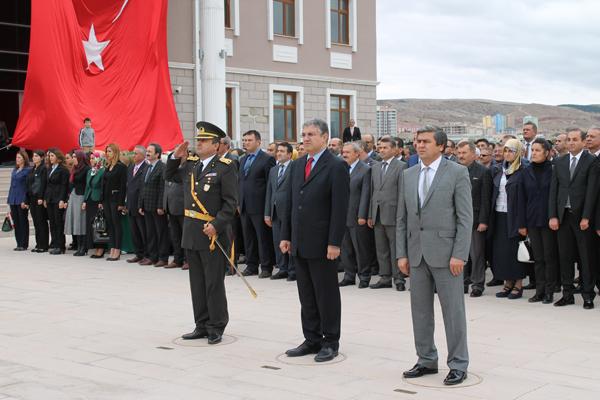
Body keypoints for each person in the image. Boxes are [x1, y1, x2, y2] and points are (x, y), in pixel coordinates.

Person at [397, 126, 472, 386]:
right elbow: (402, 219)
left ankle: (458, 363)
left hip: (447, 255)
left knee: (453, 312)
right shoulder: (408, 174)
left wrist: (459, 254)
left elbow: (465, 218)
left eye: (425, 141)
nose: (419, 145)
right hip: (416, 255)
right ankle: (426, 359)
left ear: (441, 146)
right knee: (420, 312)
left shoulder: (457, 173)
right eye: (417, 141)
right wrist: (401, 254)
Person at [280, 119, 349, 363]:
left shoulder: (336, 166)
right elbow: (290, 203)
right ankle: (311, 339)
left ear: (324, 137)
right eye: (303, 134)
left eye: (311, 134)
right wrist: (286, 236)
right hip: (299, 241)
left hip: (323, 244)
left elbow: (340, 208)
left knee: (326, 294)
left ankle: (330, 341)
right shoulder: (298, 165)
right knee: (306, 294)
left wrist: (334, 242)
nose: (305, 138)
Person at [165, 121, 238, 345]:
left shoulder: (226, 167)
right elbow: (171, 176)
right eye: (198, 140)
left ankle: (216, 325)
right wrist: (175, 157)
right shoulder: (192, 165)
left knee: (213, 282)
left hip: (212, 233)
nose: (199, 143)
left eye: (204, 141)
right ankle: (201, 324)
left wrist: (217, 224)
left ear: (217, 145)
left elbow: (230, 203)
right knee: (197, 281)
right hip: (192, 231)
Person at [549, 128, 597, 309]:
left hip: (581, 219)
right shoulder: (559, 162)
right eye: (568, 139)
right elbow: (554, 190)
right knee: (565, 257)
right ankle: (567, 294)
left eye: (575, 139)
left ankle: (587, 295)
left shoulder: (591, 161)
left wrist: (586, 217)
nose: (570, 142)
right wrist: (553, 215)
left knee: (586, 258)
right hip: (563, 218)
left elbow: (592, 192)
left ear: (583, 142)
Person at [518, 138, 558, 304]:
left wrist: (554, 216)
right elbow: (522, 198)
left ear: (547, 153)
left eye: (537, 150)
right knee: (538, 258)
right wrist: (522, 223)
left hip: (549, 220)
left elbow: (556, 196)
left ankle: (550, 291)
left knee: (550, 257)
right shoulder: (526, 171)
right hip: (532, 219)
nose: (533, 153)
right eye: (532, 150)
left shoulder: (555, 170)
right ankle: (539, 291)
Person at [368, 136, 407, 291]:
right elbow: (373, 191)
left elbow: (402, 193)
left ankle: (398, 279)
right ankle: (385, 277)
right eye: (380, 148)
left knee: (395, 248)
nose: (381, 150)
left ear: (394, 149)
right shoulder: (375, 167)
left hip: (393, 213)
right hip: (377, 213)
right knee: (381, 248)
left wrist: (401, 215)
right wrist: (370, 214)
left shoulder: (401, 166)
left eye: (385, 148)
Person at [490, 139, 527, 299]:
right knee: (501, 251)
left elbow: (526, 197)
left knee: (514, 251)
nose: (507, 154)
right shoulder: (498, 169)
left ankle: (518, 284)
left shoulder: (524, 169)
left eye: (511, 151)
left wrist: (523, 222)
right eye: (505, 151)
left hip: (516, 216)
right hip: (499, 214)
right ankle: (507, 283)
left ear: (518, 152)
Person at [239, 130, 276, 278]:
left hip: (259, 206)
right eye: (244, 140)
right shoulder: (242, 159)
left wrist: (268, 208)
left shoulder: (267, 159)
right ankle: (251, 265)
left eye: (249, 140)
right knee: (248, 238)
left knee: (262, 238)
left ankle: (266, 266)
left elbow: (270, 185)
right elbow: (240, 182)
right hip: (244, 205)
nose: (246, 143)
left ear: (258, 142)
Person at [456, 141, 492, 297]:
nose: (460, 156)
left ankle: (477, 284)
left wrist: (484, 221)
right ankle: (462, 283)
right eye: (459, 153)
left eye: (464, 153)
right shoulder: (454, 171)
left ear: (473, 154)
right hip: (457, 220)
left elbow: (486, 199)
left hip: (475, 220)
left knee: (476, 254)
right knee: (460, 254)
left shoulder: (483, 172)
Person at [339, 141, 372, 288]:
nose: (344, 154)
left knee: (360, 248)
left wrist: (362, 215)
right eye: (343, 152)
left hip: (357, 216)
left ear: (357, 154)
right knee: (345, 248)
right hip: (341, 216)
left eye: (348, 152)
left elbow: (366, 194)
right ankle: (349, 275)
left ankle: (364, 276)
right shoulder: (340, 168)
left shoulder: (365, 170)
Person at [264, 142, 294, 280]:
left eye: (282, 151)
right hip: (275, 211)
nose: (279, 153)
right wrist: (267, 213)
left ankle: (292, 269)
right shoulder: (273, 170)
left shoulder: (295, 168)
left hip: (290, 211)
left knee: (290, 240)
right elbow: (269, 192)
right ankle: (282, 268)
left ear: (289, 154)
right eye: (278, 151)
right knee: (278, 240)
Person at [139, 143, 169, 267]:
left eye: (150, 151)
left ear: (157, 154)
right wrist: (140, 204)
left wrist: (161, 206)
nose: (147, 153)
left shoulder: (162, 167)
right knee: (150, 232)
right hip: (146, 205)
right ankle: (152, 256)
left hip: (157, 207)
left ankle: (163, 257)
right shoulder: (146, 167)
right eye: (147, 151)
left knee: (161, 232)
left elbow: (163, 188)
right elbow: (143, 187)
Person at [102, 143, 127, 261]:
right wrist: (101, 200)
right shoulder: (107, 167)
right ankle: (112, 247)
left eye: (110, 151)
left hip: (116, 199)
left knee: (116, 224)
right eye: (107, 151)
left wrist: (121, 203)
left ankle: (117, 249)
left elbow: (123, 186)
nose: (107, 153)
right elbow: (104, 184)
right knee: (110, 224)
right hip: (106, 199)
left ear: (116, 152)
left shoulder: (121, 167)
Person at [64, 150, 91, 256]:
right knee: (76, 221)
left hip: (81, 196)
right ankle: (78, 246)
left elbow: (87, 185)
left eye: (75, 157)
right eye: (73, 156)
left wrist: (85, 200)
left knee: (81, 221)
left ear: (80, 158)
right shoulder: (74, 169)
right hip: (74, 196)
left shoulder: (86, 169)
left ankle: (83, 247)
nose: (73, 158)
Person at [125, 146, 149, 264]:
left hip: (139, 205)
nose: (133, 155)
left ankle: (146, 254)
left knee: (143, 231)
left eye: (136, 153)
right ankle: (138, 254)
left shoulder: (146, 167)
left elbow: (143, 189)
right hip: (130, 204)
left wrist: (141, 204)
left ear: (143, 155)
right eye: (133, 153)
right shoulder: (130, 167)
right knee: (134, 232)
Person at [45, 148, 70, 254]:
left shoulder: (63, 169)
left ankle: (61, 246)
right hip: (50, 198)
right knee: (52, 222)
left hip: (58, 198)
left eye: (52, 156)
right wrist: (46, 198)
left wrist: (62, 200)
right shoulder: (50, 168)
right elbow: (48, 185)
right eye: (49, 156)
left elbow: (64, 186)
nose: (50, 158)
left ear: (58, 158)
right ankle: (54, 243)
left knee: (58, 222)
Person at [163, 155, 186, 269]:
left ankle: (187, 260)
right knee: (175, 236)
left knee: (185, 236)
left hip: (183, 208)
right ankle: (177, 259)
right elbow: (166, 189)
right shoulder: (170, 170)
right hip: (171, 207)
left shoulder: (187, 168)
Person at [83, 152, 106, 258]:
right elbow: (87, 187)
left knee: (98, 224)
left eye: (93, 158)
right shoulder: (90, 171)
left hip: (97, 200)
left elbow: (102, 187)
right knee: (91, 224)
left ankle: (101, 248)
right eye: (90, 158)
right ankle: (94, 246)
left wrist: (101, 201)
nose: (91, 160)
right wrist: (84, 200)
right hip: (89, 200)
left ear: (99, 159)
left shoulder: (103, 171)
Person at [7, 150, 31, 251]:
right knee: (16, 222)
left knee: (23, 221)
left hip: (22, 198)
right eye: (16, 157)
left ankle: (24, 244)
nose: (17, 159)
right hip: (13, 198)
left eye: (19, 158)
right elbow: (12, 185)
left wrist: (25, 201)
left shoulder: (28, 170)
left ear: (24, 159)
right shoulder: (14, 170)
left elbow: (28, 187)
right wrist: (9, 199)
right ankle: (18, 243)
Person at [26, 150, 49, 252]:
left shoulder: (43, 168)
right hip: (32, 198)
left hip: (39, 198)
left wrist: (41, 197)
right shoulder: (33, 169)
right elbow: (29, 184)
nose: (34, 158)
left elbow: (43, 184)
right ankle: (38, 243)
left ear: (42, 157)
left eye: (36, 156)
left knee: (41, 221)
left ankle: (43, 245)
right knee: (36, 222)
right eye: (33, 156)